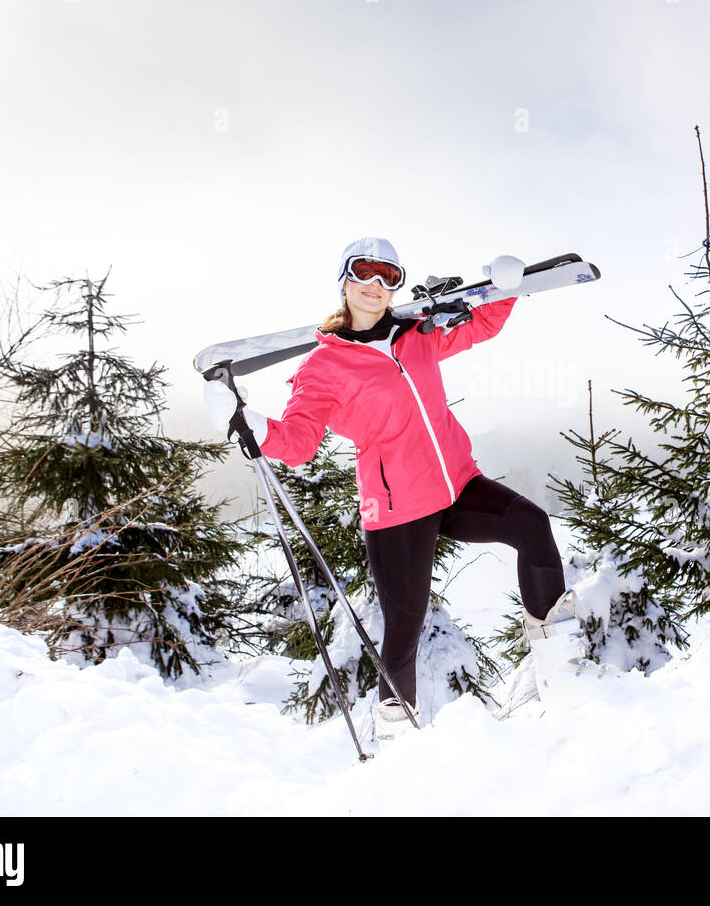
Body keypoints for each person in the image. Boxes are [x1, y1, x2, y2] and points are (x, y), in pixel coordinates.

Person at [205, 236, 577, 738]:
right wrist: (250, 421)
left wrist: (505, 289)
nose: (377, 286)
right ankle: (397, 739)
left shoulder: (417, 335)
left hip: (457, 484)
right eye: (365, 272)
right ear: (345, 280)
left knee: (531, 524)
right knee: (404, 631)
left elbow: (481, 326)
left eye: (389, 276)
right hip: (399, 509)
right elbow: (298, 444)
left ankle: (562, 672)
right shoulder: (322, 368)